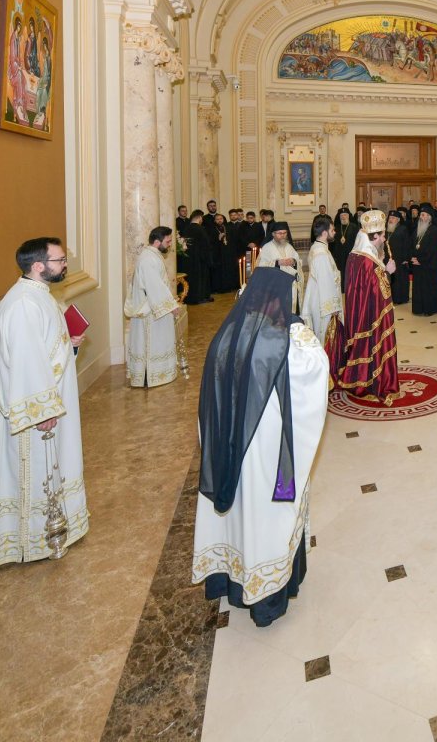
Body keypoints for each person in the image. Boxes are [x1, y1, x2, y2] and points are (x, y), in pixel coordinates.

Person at [193, 268, 329, 628]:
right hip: (265, 451)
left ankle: (230, 578)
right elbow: (315, 369)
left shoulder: (225, 335)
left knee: (239, 513)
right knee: (265, 515)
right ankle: (266, 598)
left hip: (228, 447)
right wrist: (301, 330)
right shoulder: (282, 340)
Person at [0, 238, 89, 572]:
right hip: (38, 411)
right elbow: (26, 361)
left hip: (51, 400)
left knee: (53, 467)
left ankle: (55, 527)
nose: (65, 264)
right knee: (36, 470)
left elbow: (46, 348)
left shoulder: (40, 295)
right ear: (38, 266)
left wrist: (71, 344)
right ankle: (36, 538)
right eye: (60, 259)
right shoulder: (24, 303)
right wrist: (43, 412)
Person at [326, 210, 400, 403]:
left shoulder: (355, 255)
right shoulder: (368, 261)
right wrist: (388, 272)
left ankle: (358, 376)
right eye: (382, 235)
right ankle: (370, 381)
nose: (385, 238)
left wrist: (382, 268)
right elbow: (379, 291)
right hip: (370, 314)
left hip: (359, 312)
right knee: (370, 345)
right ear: (375, 237)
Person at [125, 226, 180, 389]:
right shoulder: (148, 259)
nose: (169, 245)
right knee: (151, 342)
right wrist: (170, 305)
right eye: (168, 241)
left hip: (153, 307)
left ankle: (154, 374)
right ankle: (150, 376)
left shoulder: (152, 256)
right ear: (157, 241)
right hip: (150, 311)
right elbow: (154, 286)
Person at [301, 215, 342, 345]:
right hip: (324, 303)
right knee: (325, 335)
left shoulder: (317, 247)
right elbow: (326, 283)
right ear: (325, 233)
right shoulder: (321, 254)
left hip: (318, 297)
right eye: (332, 230)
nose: (334, 232)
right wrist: (333, 307)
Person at [257, 221, 304, 312]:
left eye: (285, 233)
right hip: (276, 286)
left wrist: (293, 262)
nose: (283, 235)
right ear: (273, 234)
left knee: (292, 310)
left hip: (291, 285)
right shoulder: (267, 248)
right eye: (280, 233)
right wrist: (277, 263)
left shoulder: (289, 246)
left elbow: (298, 261)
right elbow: (260, 266)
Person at [410, 203, 437, 317]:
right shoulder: (417, 230)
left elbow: (433, 250)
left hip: (429, 265)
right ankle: (419, 309)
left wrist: (421, 260)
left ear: (429, 217)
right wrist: (413, 258)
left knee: (428, 287)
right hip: (418, 264)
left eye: (423, 215)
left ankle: (430, 309)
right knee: (418, 288)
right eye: (420, 215)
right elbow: (413, 245)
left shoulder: (435, 230)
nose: (421, 217)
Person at [181, 210, 214, 304]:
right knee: (200, 279)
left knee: (190, 278)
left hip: (188, 259)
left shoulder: (186, 228)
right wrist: (209, 260)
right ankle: (200, 297)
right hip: (200, 260)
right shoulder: (200, 229)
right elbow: (206, 245)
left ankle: (189, 297)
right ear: (199, 218)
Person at [386, 210, 413, 305]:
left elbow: (407, 244)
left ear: (398, 220)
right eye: (389, 218)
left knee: (399, 279)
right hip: (388, 259)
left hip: (400, 258)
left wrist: (406, 258)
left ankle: (401, 298)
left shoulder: (403, 229)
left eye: (393, 218)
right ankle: (391, 298)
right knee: (390, 279)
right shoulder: (387, 230)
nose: (390, 220)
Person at [330, 206, 358, 279]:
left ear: (348, 216)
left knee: (350, 273)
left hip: (350, 254)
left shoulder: (354, 227)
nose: (343, 217)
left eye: (345, 215)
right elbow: (333, 242)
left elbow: (357, 241)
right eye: (341, 215)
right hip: (340, 255)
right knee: (341, 272)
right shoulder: (336, 228)